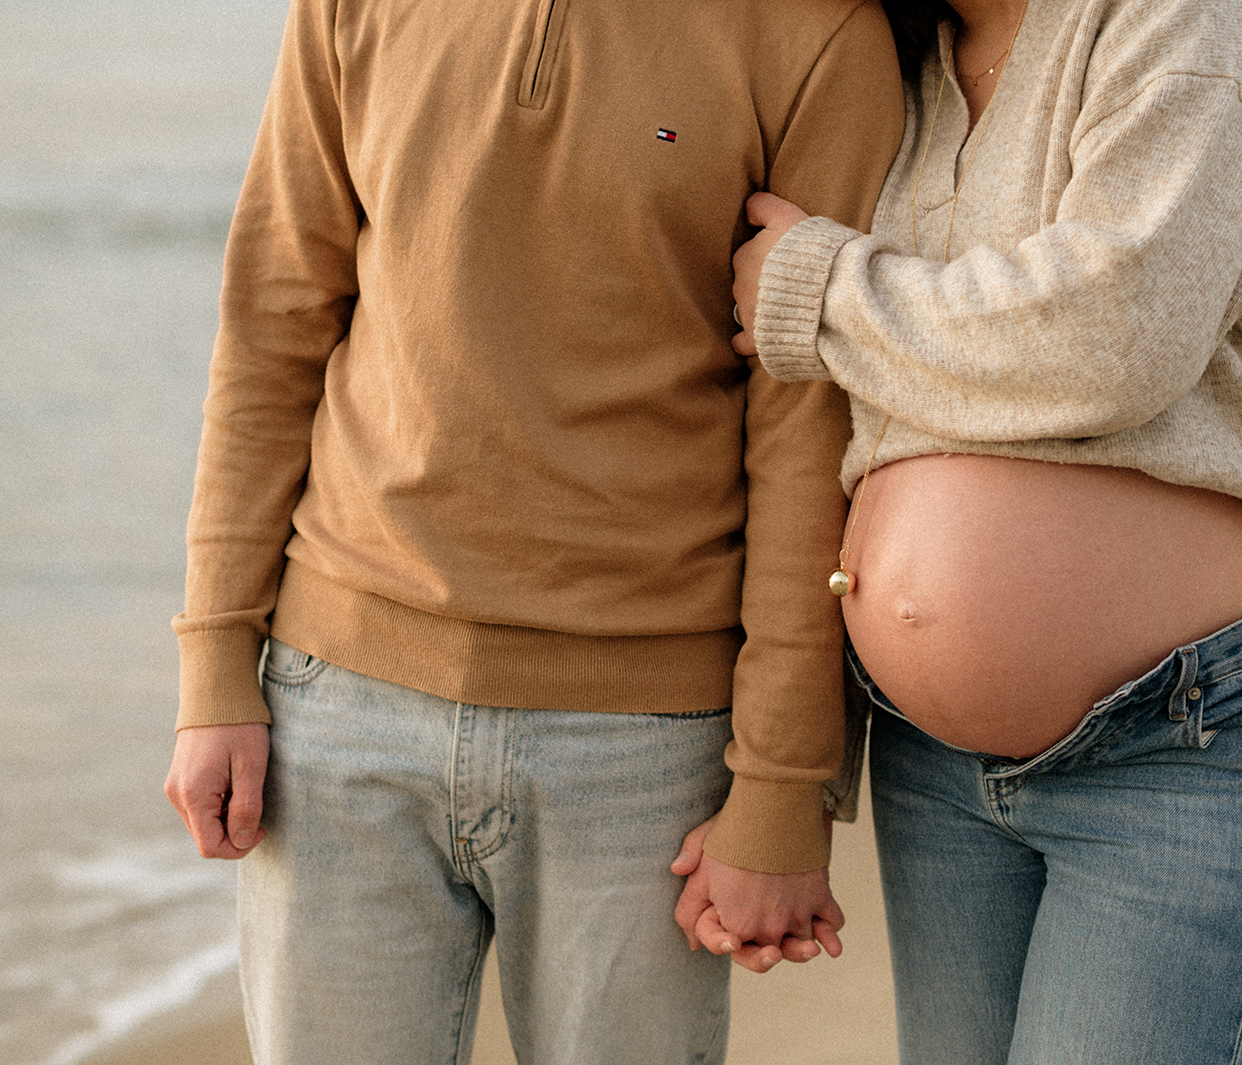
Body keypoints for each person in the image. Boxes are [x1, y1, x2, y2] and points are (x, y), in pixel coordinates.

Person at [161, 1, 904, 1062]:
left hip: (646, 749)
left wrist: (783, 785)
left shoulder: (818, 33)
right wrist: (216, 666)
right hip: (337, 713)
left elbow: (808, 431)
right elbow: (274, 324)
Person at [721, 0, 1242, 1061]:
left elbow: (1115, 334)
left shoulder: (1181, 17)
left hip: (1183, 734)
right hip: (929, 754)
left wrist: (822, 290)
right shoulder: (875, 52)